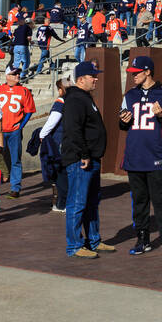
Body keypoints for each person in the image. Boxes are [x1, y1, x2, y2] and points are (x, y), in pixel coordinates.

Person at [118, 56, 162, 260]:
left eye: (136, 72)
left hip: (156, 157)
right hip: (135, 157)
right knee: (139, 202)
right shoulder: (129, 95)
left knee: (160, 203)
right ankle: (142, 240)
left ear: (147, 72)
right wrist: (123, 121)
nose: (133, 76)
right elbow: (124, 124)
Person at [61, 61, 114, 258]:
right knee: (77, 202)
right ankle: (74, 245)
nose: (96, 78)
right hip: (80, 160)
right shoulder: (75, 98)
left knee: (91, 202)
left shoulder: (84, 97)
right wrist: (83, 154)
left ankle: (93, 240)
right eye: (93, 76)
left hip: (91, 158)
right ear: (81, 79)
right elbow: (74, 130)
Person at [0, 66, 35, 198]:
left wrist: (21, 125)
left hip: (14, 131)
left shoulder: (24, 91)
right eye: (14, 73)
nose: (17, 75)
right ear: (7, 76)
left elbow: (29, 111)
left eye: (18, 73)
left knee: (15, 159)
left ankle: (15, 188)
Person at [38, 80, 69, 213]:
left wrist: (41, 135)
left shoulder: (60, 102)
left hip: (58, 141)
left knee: (60, 174)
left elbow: (53, 120)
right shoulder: (73, 101)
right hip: (69, 141)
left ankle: (62, 204)